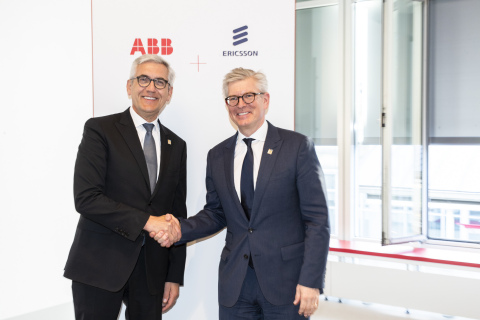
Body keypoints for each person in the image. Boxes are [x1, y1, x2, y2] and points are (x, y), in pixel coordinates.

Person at [154, 67, 330, 319]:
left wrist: (311, 280)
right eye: (233, 99)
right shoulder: (217, 155)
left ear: (265, 100)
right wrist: (179, 229)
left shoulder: (297, 147)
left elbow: (318, 220)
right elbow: (216, 213)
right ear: (227, 105)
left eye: (249, 96)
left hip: (287, 285)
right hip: (235, 286)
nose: (241, 104)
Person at [64, 54, 186, 320]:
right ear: (129, 86)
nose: (151, 87)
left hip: (152, 274)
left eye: (160, 82)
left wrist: (174, 276)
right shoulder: (100, 130)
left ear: (169, 93)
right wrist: (147, 222)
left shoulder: (176, 146)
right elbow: (86, 198)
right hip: (99, 266)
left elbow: (177, 213)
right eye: (143, 79)